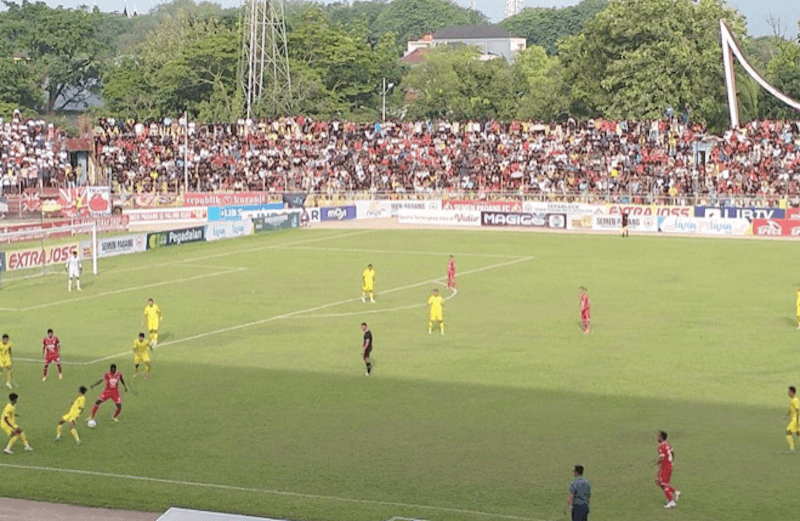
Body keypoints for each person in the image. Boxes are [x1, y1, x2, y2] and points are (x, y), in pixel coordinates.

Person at [655, 430, 680, 508]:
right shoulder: (668, 444)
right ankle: (675, 492)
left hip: (665, 466)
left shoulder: (661, 447)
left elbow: (662, 458)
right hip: (669, 465)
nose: (657, 437)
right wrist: (671, 461)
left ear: (661, 437)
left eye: (658, 436)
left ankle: (671, 502)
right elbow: (672, 454)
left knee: (663, 483)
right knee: (661, 482)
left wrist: (658, 464)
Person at [784, 386, 800, 452]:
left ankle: (792, 449)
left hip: (795, 420)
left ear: (792, 392)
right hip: (794, 420)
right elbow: (791, 409)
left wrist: (798, 421)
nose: (788, 393)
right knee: (798, 433)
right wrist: (786, 415)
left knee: (788, 433)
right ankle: (792, 448)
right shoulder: (792, 400)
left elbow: (798, 410)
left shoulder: (795, 400)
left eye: (789, 392)